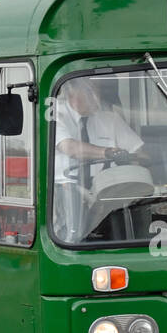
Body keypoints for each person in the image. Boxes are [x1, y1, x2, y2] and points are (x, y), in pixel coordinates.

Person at [53, 79, 149, 241]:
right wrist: (108, 152)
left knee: (126, 231)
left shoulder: (110, 119)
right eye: (91, 91)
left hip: (107, 191)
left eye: (98, 90)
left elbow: (142, 154)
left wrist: (130, 160)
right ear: (72, 93)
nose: (98, 96)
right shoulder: (55, 115)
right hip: (66, 191)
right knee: (72, 237)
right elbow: (70, 148)